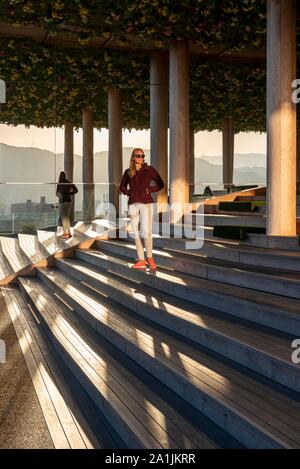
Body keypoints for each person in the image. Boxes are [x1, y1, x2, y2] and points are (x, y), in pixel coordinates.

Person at [120, 148, 164, 270]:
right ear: (133, 157)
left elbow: (161, 184)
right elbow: (121, 186)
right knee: (136, 233)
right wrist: (129, 193)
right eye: (138, 155)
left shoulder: (149, 170)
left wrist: (149, 190)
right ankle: (141, 260)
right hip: (133, 204)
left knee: (146, 231)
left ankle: (150, 257)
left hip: (146, 204)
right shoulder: (128, 172)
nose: (141, 157)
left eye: (142, 155)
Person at [56, 171, 78, 239]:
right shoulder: (68, 182)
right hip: (68, 201)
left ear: (60, 176)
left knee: (64, 218)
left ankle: (66, 233)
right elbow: (76, 190)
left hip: (62, 202)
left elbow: (57, 193)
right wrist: (69, 193)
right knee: (66, 217)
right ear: (65, 176)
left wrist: (60, 195)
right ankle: (68, 232)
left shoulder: (59, 184)